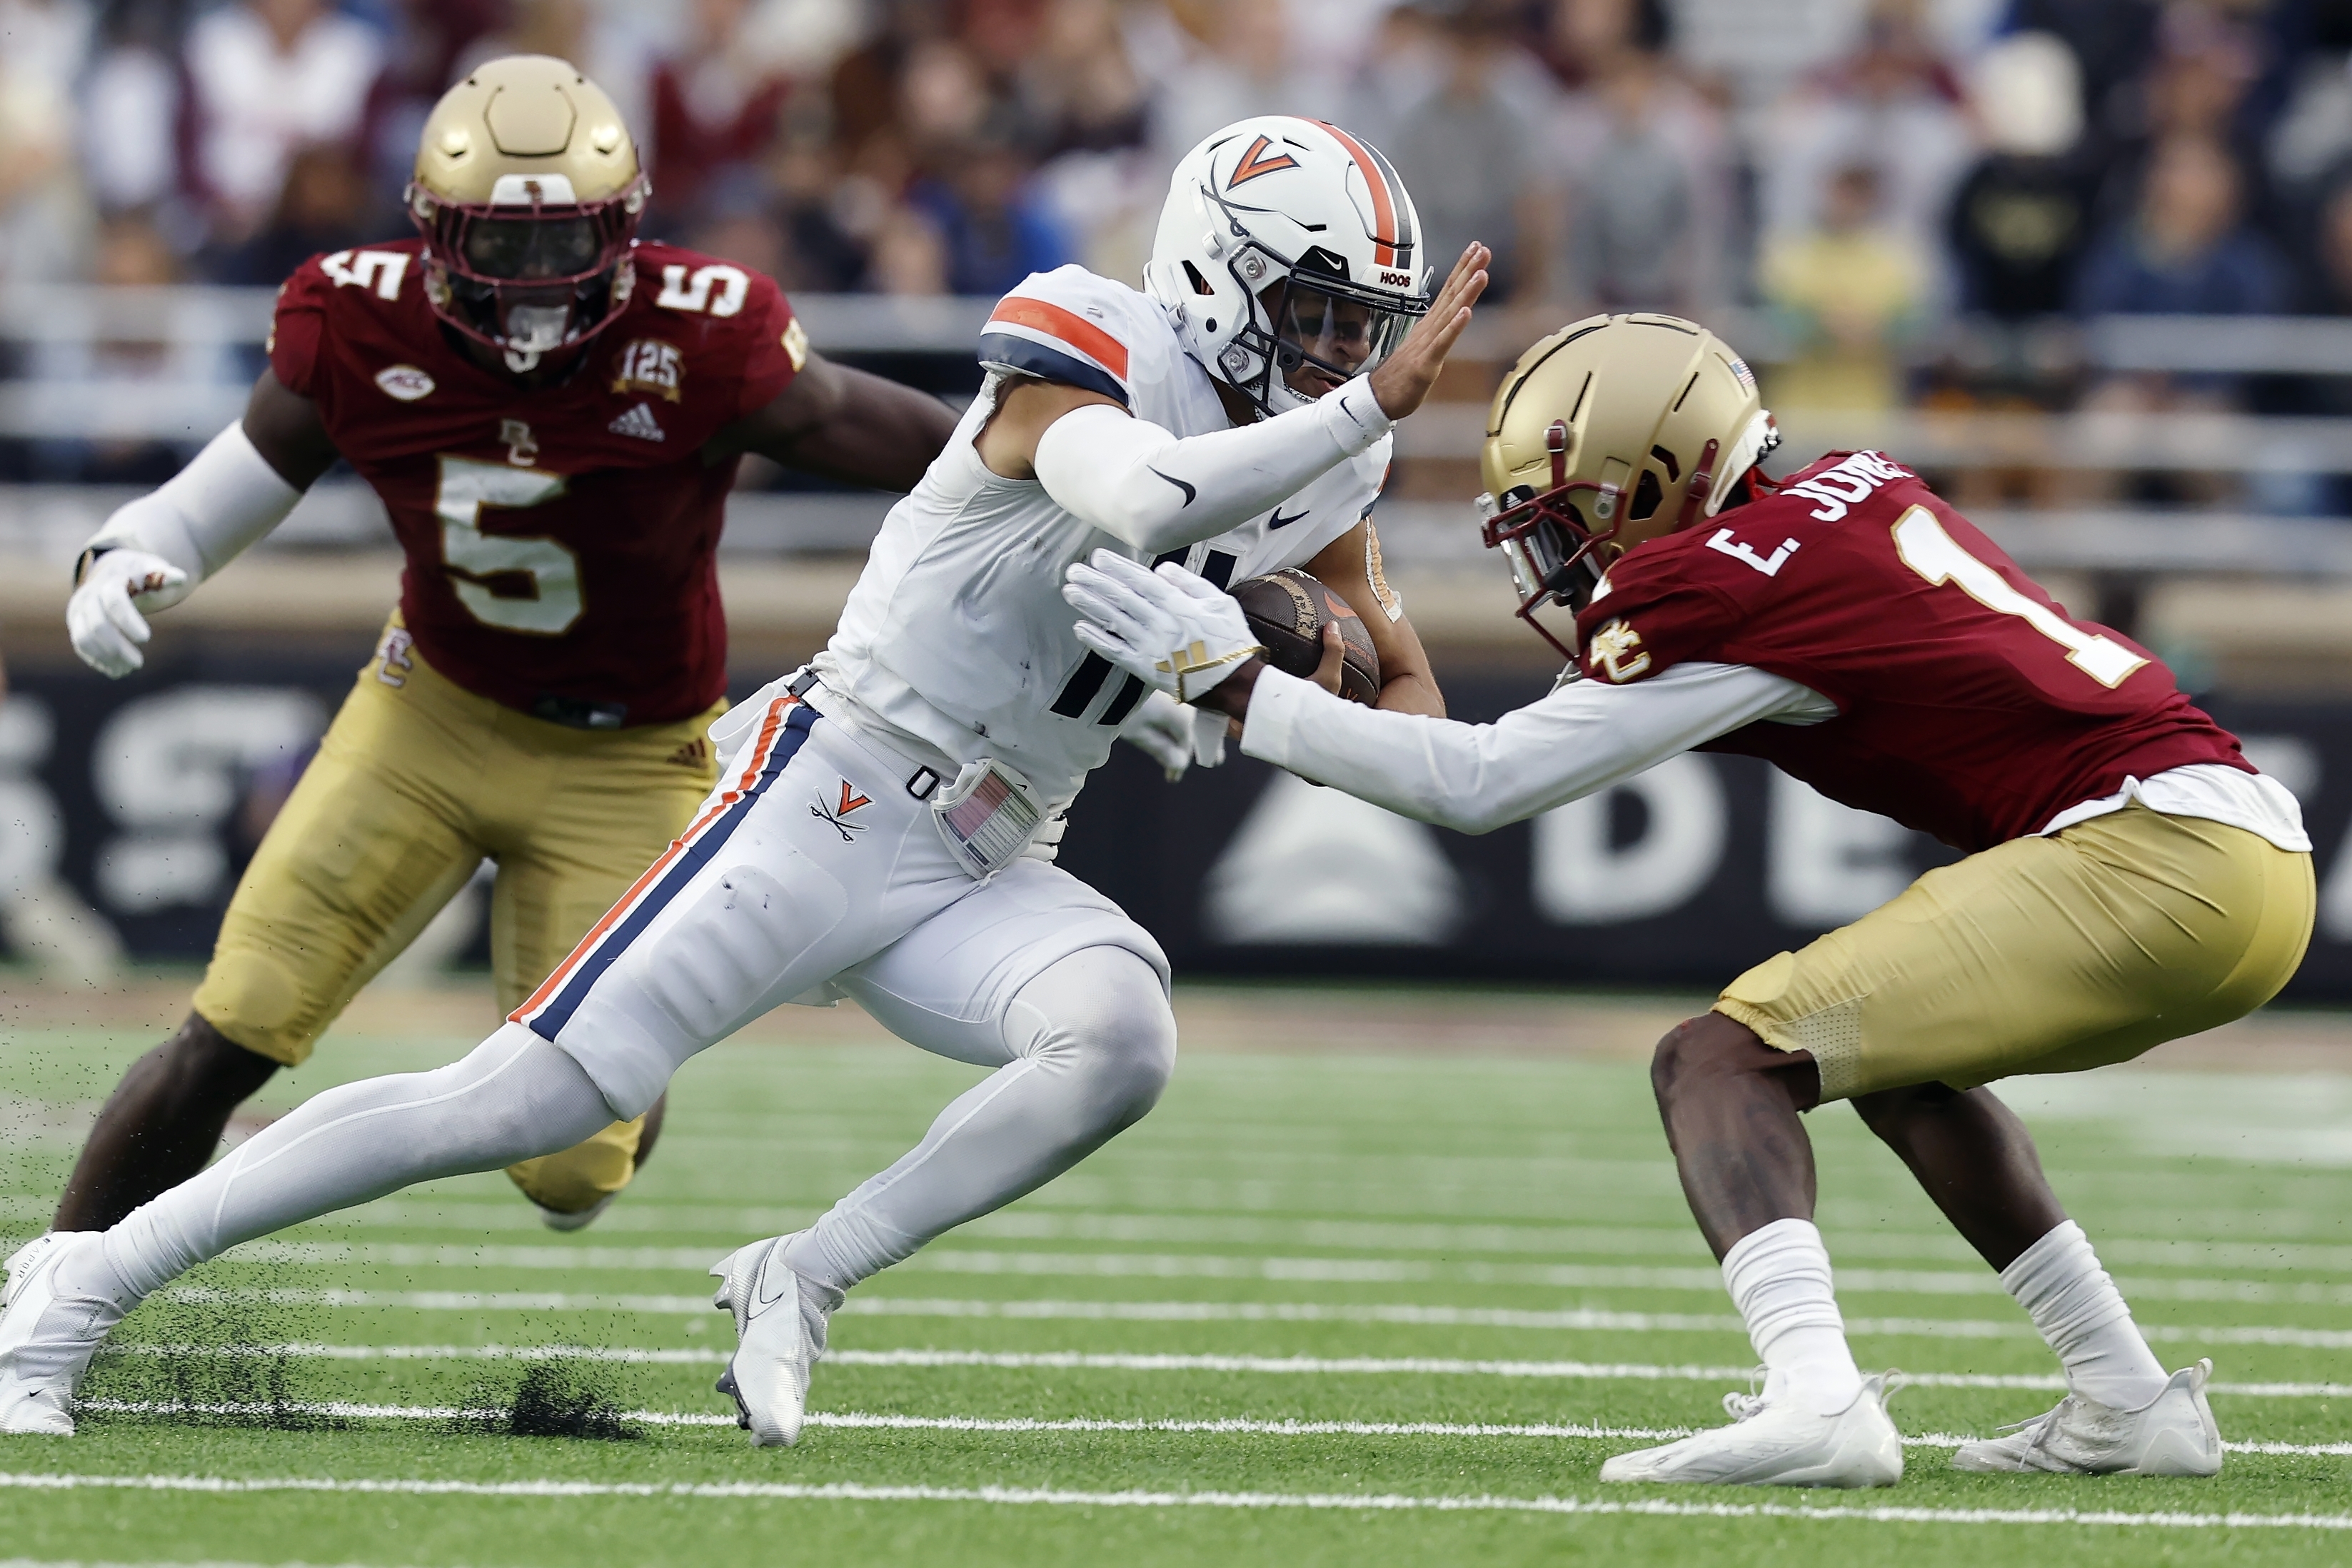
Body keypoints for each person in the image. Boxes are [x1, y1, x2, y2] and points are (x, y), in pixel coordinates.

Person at [0, 114, 1486, 1447]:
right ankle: (80, 1279)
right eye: (1314, 316)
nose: (1340, 358)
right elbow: (1145, 493)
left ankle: (803, 1274)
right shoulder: (1093, 333)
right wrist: (1355, 431)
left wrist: (1264, 689)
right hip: (834, 779)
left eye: (1363, 333)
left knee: (1118, 1037)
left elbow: (1408, 706)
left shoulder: (1325, 459)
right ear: (1215, 274)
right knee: (522, 1103)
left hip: (995, 845)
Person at [1058, 311, 2312, 1487]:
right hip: (2241, 854)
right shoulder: (1848, 495)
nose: (1557, 558)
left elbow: (1481, 783)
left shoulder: (1717, 585)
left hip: (2151, 851)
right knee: (1896, 1065)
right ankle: (2127, 1400)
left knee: (1717, 1061)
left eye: (1567, 520)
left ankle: (1814, 1397)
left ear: (1658, 477)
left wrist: (1240, 689)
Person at [44, 55, 961, 1239]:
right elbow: (216, 492)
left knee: (571, 1169)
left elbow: (954, 457)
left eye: (566, 240)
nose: (538, 282)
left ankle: (636, 1043)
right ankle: (45, 1307)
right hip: (429, 715)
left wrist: (1096, 491)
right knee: (234, 1028)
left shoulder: (704, 337)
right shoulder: (357, 318)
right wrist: (118, 557)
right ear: (431, 232)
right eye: (505, 244)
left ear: (627, 229)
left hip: (632, 756)